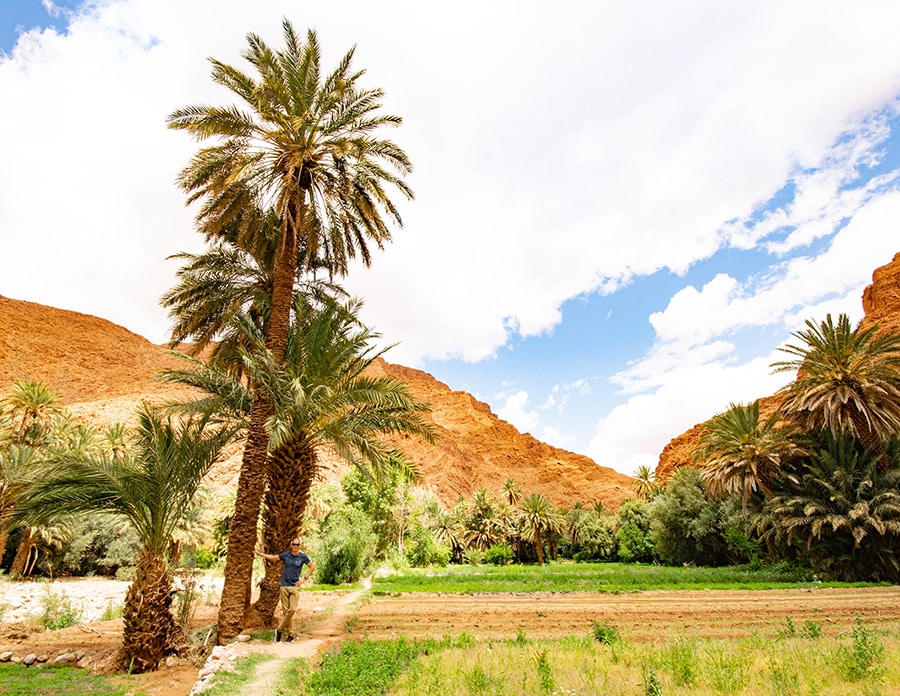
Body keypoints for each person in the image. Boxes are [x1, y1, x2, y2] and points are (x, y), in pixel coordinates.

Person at [254, 537, 315, 642]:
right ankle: (290, 635)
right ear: (291, 545)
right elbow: (273, 558)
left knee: (292, 610)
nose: (295, 546)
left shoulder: (302, 557)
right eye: (294, 544)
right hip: (284, 586)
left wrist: (304, 579)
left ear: (299, 546)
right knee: (286, 612)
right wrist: (259, 554)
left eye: (297, 545)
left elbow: (312, 567)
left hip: (294, 587)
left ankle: (279, 630)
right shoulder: (286, 555)